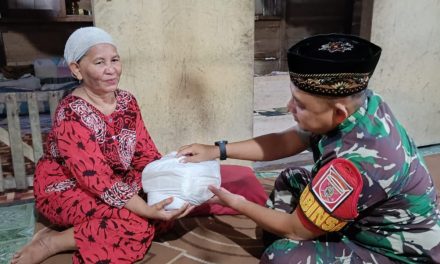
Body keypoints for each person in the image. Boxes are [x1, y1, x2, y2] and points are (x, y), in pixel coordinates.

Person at [177, 33, 440, 263]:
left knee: (280, 256)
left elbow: (295, 230)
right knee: (291, 178)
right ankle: (317, 236)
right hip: (366, 215)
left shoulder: (354, 164)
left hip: (396, 252)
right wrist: (217, 150)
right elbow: (285, 141)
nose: (290, 107)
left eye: (301, 105)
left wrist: (238, 203)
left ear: (338, 113)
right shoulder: (361, 102)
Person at [11, 27, 193, 264]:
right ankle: (52, 242)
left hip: (120, 180)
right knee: (136, 223)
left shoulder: (127, 101)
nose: (111, 70)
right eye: (99, 62)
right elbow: (97, 179)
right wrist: (146, 209)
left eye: (115, 60)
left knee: (166, 210)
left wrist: (167, 177)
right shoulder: (70, 114)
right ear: (77, 69)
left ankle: (90, 229)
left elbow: (144, 153)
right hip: (68, 188)